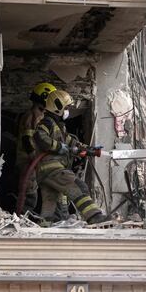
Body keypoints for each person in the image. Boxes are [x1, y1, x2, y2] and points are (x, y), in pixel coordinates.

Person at [33, 89, 107, 225]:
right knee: (79, 187)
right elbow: (40, 138)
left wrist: (89, 150)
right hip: (53, 169)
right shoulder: (46, 123)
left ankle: (46, 226)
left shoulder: (59, 127)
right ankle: (94, 216)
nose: (68, 111)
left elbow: (72, 143)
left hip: (45, 173)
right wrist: (60, 147)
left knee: (52, 203)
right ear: (57, 107)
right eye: (66, 107)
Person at [16, 82, 56, 215]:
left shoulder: (43, 116)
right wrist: (34, 157)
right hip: (29, 161)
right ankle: (23, 218)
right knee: (29, 192)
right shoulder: (31, 116)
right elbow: (27, 139)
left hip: (37, 162)